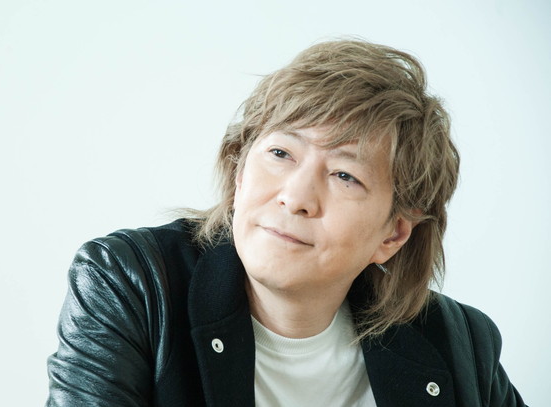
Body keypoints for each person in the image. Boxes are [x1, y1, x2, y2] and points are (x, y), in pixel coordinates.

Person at [46, 39, 526, 406]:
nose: (295, 197)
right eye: (280, 153)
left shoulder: (460, 344)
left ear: (394, 233)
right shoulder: (131, 283)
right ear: (239, 174)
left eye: (345, 175)